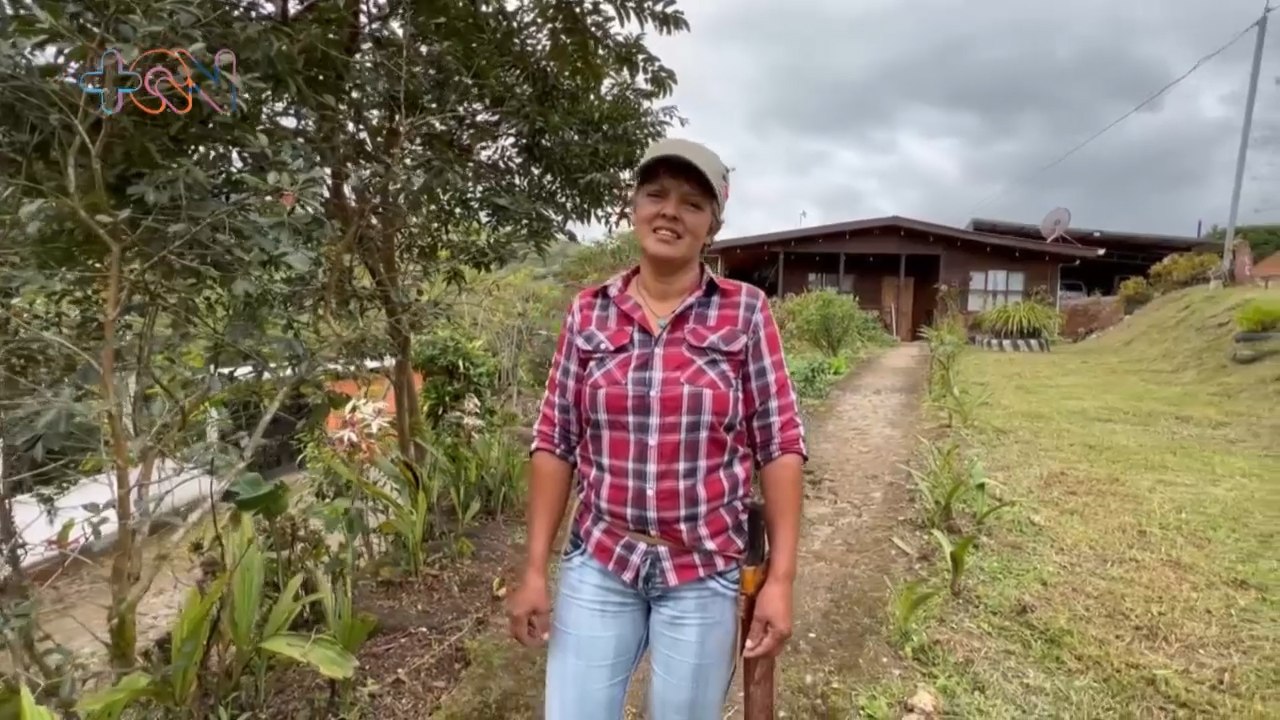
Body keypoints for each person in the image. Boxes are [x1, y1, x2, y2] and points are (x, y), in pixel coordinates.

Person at [506, 137, 808, 719]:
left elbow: (780, 445)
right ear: (633, 206)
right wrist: (534, 569)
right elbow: (555, 440)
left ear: (713, 225)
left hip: (702, 571)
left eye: (692, 203)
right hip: (602, 560)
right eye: (656, 195)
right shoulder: (588, 311)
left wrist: (781, 580)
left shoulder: (745, 312)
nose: (670, 212)